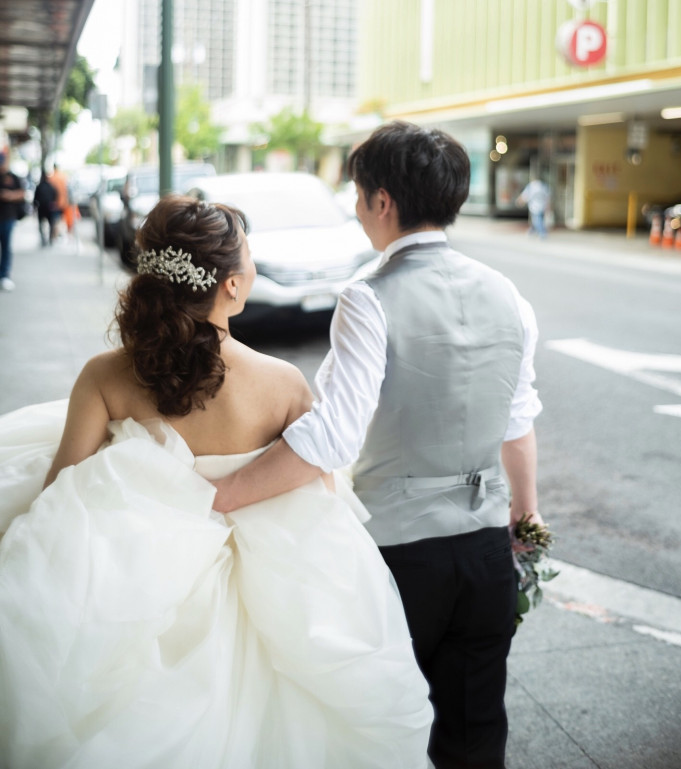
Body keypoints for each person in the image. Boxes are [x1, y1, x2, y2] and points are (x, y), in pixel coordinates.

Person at [0, 195, 433, 768]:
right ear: (230, 285)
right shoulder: (281, 383)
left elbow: (63, 486)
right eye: (248, 257)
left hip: (134, 573)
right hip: (271, 583)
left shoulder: (105, 375)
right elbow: (320, 496)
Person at [211, 121, 543, 769]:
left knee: (393, 729)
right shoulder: (510, 297)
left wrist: (220, 493)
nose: (357, 211)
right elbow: (519, 424)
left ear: (383, 202)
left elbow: (331, 435)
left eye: (359, 196)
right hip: (484, 555)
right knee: (477, 734)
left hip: (401, 556)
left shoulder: (369, 299)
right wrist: (525, 517)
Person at [0, 149, 25, 291]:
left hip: (8, 217)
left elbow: (22, 193)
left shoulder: (13, 177)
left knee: (6, 247)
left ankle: (4, 275)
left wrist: (10, 195)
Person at [33, 170, 58, 246]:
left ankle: (44, 239)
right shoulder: (51, 186)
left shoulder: (39, 186)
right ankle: (50, 239)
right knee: (51, 223)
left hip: (41, 207)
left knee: (41, 224)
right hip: (49, 207)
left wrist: (35, 207)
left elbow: (35, 198)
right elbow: (55, 196)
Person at [48, 162, 69, 240]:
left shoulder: (52, 177)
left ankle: (55, 235)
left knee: (54, 219)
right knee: (60, 218)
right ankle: (58, 234)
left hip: (55, 202)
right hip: (63, 202)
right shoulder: (63, 176)